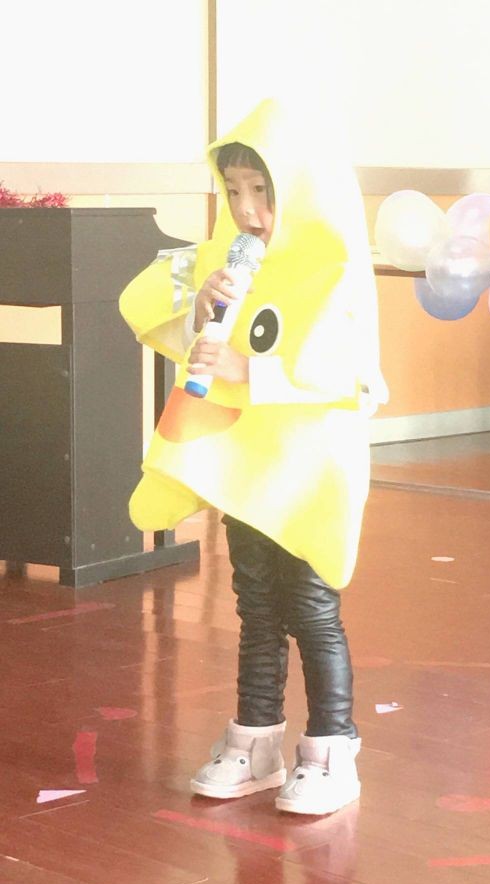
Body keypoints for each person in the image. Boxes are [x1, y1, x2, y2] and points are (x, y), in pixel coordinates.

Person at [119, 99, 387, 816]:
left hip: (308, 471)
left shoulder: (334, 269)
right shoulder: (227, 258)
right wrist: (199, 308)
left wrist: (248, 369)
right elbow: (151, 309)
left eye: (262, 190)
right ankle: (256, 740)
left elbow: (347, 373)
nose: (246, 209)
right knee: (257, 603)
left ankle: (332, 748)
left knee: (312, 606)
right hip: (246, 466)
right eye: (233, 190)